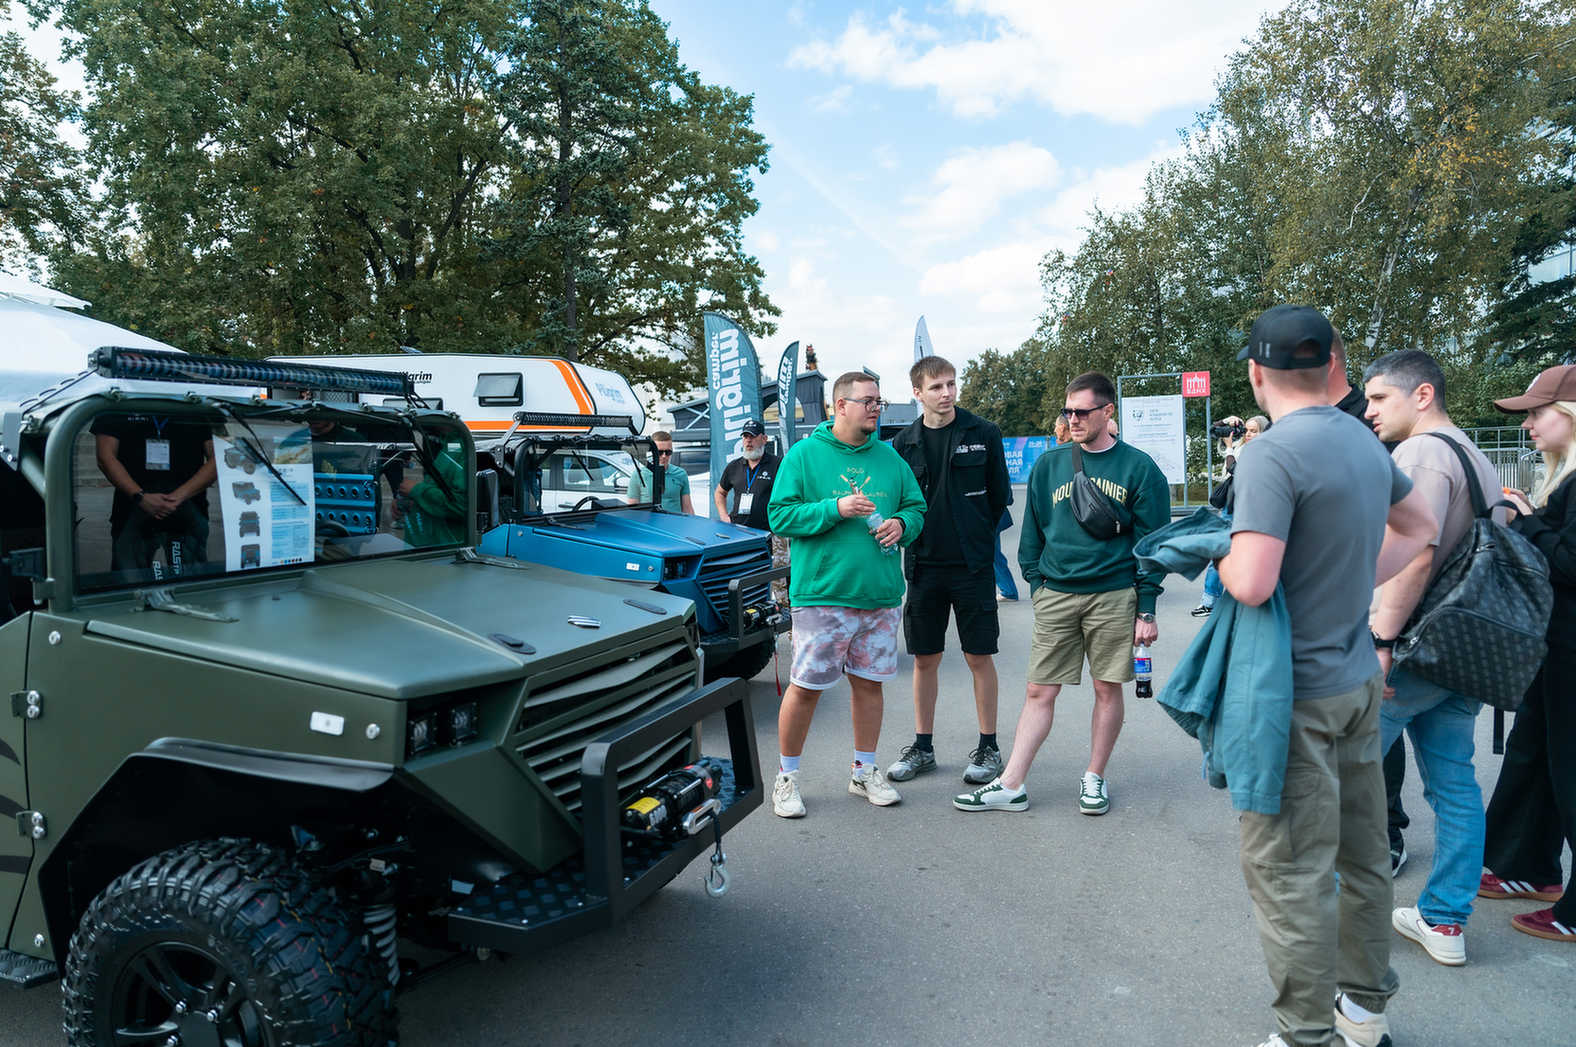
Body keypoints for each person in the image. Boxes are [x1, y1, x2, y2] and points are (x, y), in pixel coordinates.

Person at [1214, 305, 1436, 1047]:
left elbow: (1251, 582)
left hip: (1293, 692)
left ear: (1256, 373)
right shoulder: (1362, 438)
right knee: (1363, 856)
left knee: (1289, 869)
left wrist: (1213, 551)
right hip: (1354, 681)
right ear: (1332, 364)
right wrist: (1350, 580)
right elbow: (1421, 529)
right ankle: (1364, 1014)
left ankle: (1303, 1031)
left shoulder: (1270, 454)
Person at [954, 371, 1169, 816]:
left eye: (1082, 412)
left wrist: (1146, 608)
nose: (1073, 419)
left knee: (1107, 688)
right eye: (1068, 411)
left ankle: (1094, 777)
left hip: (1114, 595)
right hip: (1056, 595)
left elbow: (1154, 546)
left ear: (1107, 412)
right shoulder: (1050, 465)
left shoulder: (1139, 467)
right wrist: (1038, 585)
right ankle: (1011, 783)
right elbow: (1032, 533)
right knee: (1039, 690)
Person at [1363, 349, 1504, 967]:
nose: (1368, 411)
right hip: (1463, 648)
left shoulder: (1420, 453)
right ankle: (1445, 919)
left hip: (1410, 647)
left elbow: (1415, 554)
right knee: (1453, 785)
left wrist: (1380, 643)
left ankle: (1333, 925)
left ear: (1422, 395)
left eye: (1379, 398)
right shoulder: (1474, 455)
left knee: (1334, 776)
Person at [766, 372, 926, 818]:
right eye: (868, 401)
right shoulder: (804, 455)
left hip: (879, 595)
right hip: (823, 595)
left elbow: (916, 508)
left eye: (879, 401)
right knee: (806, 688)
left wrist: (902, 525)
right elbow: (779, 516)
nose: (877, 408)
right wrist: (835, 508)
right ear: (840, 406)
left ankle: (864, 771)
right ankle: (786, 778)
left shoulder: (889, 458)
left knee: (870, 686)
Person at [1477, 365, 1576, 945]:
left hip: (1569, 647)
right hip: (1555, 644)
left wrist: (1529, 522)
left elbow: (1569, 563)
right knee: (1535, 755)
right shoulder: (1565, 477)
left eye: (1538, 412)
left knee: (1565, 766)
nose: (1528, 424)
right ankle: (1528, 867)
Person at [886, 355, 1012, 786]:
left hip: (972, 566)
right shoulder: (903, 443)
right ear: (917, 393)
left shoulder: (984, 433)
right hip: (923, 566)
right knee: (925, 658)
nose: (947, 393)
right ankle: (922, 747)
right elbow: (899, 504)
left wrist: (973, 537)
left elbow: (998, 499)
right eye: (937, 386)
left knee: (979, 656)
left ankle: (989, 747)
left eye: (951, 384)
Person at [93, 413, 216, 578]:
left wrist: (178, 497)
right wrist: (140, 496)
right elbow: (105, 457)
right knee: (129, 583)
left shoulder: (199, 407)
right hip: (133, 508)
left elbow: (218, 458)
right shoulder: (117, 405)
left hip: (188, 508)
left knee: (190, 582)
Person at [1194, 414, 1266, 617]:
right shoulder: (1241, 446)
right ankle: (1211, 602)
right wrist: (1227, 421)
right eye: (1247, 430)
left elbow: (1235, 469)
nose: (1248, 434)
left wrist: (1229, 448)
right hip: (1231, 507)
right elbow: (1213, 430)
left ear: (1263, 432)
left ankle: (1239, 602)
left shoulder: (1262, 451)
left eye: (1254, 431)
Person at [715, 417, 787, 603]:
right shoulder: (734, 466)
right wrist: (723, 516)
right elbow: (720, 492)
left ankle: (783, 612)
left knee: (778, 578)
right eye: (745, 437)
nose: (748, 441)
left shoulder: (778, 464)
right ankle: (745, 609)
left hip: (771, 534)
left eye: (753, 437)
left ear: (764, 439)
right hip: (740, 535)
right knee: (743, 577)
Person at [627, 430, 694, 514]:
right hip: (650, 521)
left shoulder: (680, 474)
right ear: (651, 451)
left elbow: (687, 507)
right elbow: (633, 510)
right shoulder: (639, 474)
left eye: (668, 452)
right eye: (659, 452)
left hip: (675, 521)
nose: (664, 456)